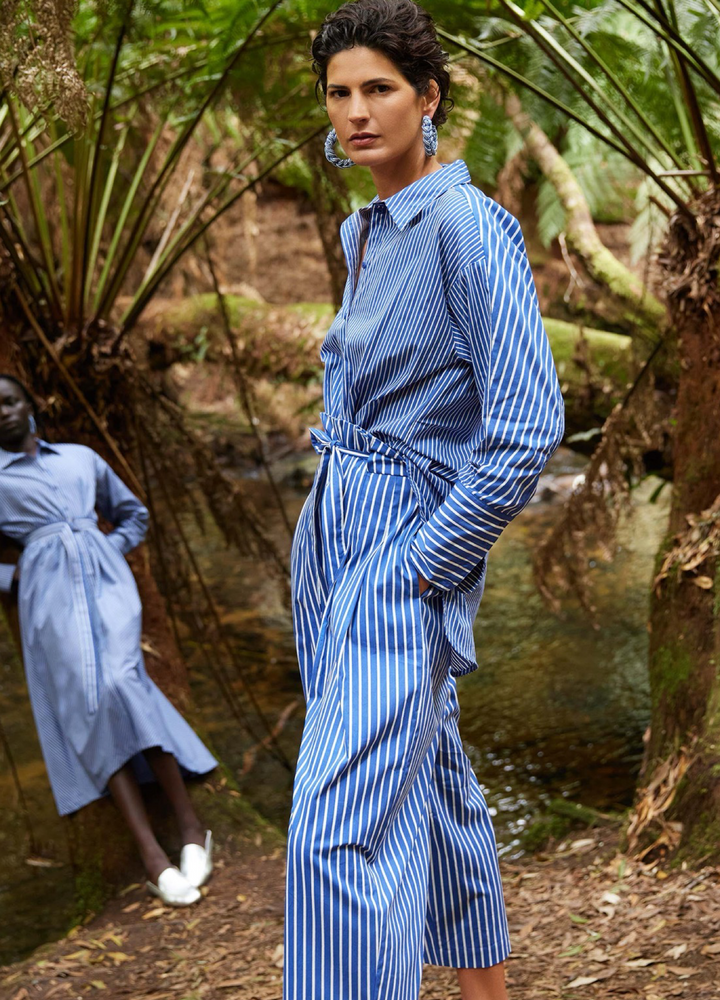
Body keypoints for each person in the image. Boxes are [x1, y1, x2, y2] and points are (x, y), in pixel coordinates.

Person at [286, 1, 565, 998]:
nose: (357, 110)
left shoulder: (465, 226)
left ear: (428, 96)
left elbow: (528, 423)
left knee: (333, 831)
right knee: (434, 786)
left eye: (379, 89)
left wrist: (423, 560)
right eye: (339, 91)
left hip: (400, 547)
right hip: (337, 536)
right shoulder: (365, 228)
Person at [0, 374, 218, 907]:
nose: (4, 414)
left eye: (10, 402)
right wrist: (9, 577)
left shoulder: (81, 458)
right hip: (49, 601)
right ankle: (152, 857)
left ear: (29, 405)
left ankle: (189, 827)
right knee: (88, 706)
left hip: (108, 586)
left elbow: (134, 513)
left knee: (122, 683)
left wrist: (108, 548)